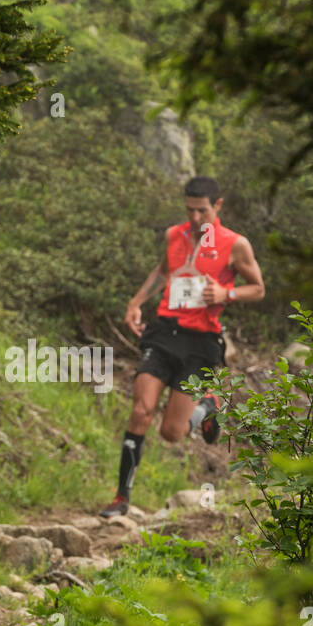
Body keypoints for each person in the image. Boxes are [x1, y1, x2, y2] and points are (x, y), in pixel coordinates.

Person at [98, 176, 265, 518]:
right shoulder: (175, 235)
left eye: (202, 210)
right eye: (189, 210)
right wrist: (137, 300)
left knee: (172, 433)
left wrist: (224, 294)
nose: (194, 218)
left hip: (201, 342)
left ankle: (207, 406)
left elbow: (258, 289)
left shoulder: (235, 244)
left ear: (218, 206)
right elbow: (162, 271)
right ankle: (121, 497)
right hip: (164, 333)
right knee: (141, 410)